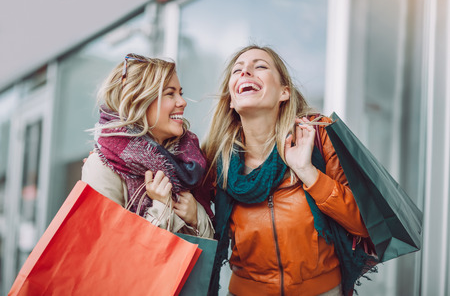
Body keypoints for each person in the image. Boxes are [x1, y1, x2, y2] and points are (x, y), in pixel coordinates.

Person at [202, 45, 375, 296]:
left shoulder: (319, 135)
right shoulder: (216, 159)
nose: (246, 72)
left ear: (284, 92)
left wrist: (308, 172)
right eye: (237, 70)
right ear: (232, 99)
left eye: (259, 66)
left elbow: (365, 223)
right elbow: (203, 230)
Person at [82, 53, 214, 238]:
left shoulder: (188, 164)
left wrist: (196, 216)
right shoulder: (102, 167)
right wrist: (161, 207)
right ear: (140, 100)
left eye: (180, 93)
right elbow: (108, 247)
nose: (182, 102)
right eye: (170, 93)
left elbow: (209, 252)